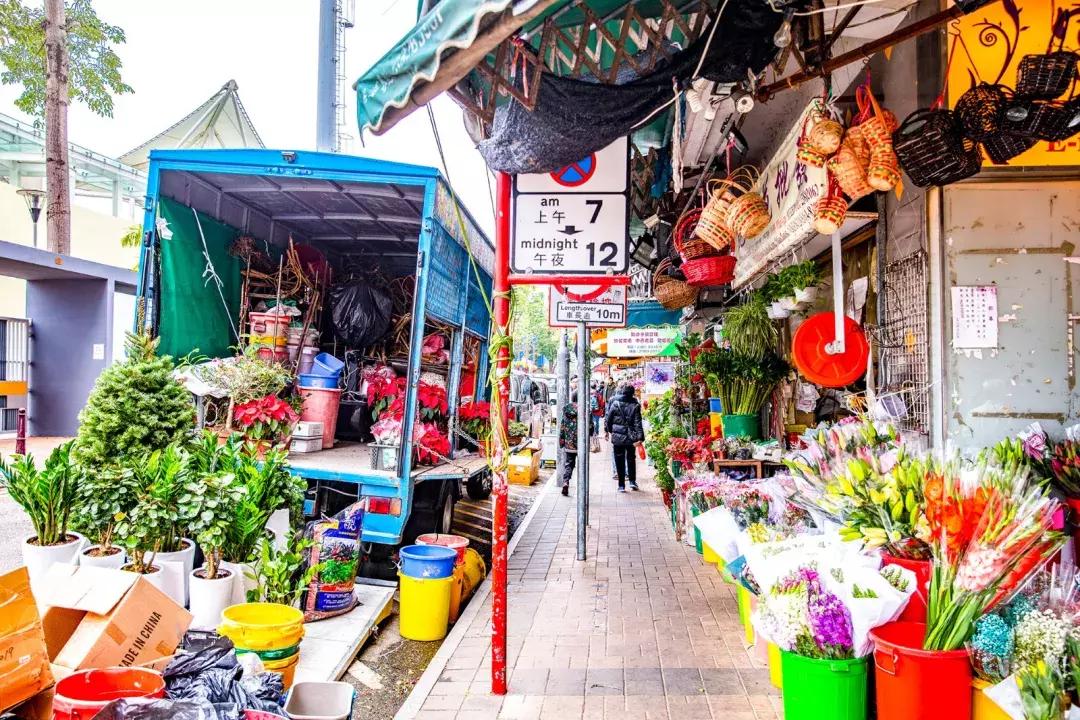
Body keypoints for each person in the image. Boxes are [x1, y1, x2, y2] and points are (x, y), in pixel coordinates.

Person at [605, 384, 645, 492]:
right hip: (631, 438)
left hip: (617, 437)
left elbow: (609, 419)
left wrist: (610, 431)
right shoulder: (635, 405)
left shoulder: (615, 404)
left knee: (619, 460)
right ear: (632, 393)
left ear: (622, 392)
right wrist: (640, 437)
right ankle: (632, 482)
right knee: (631, 459)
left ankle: (621, 485)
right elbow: (638, 423)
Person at [558, 391, 579, 497]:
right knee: (582, 465)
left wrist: (562, 441)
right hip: (581, 443)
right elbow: (590, 426)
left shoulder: (566, 409)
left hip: (569, 443)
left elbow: (562, 426)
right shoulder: (584, 409)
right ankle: (581, 486)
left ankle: (566, 482)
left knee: (569, 464)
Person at [589, 382, 604, 452]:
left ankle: (592, 432)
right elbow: (602, 402)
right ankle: (596, 433)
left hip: (590, 411)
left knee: (591, 422)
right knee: (596, 422)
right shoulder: (598, 394)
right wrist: (601, 408)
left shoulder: (588, 393)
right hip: (597, 411)